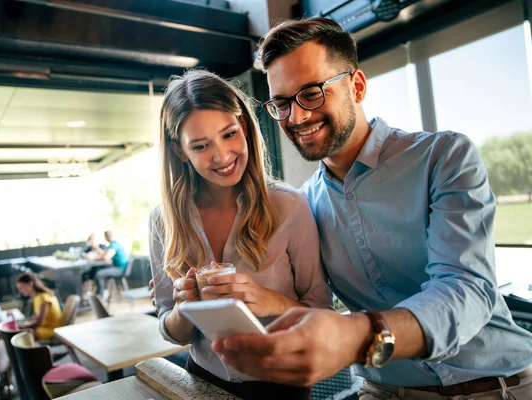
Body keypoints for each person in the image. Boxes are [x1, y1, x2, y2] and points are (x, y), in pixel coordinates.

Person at [212, 17, 532, 399]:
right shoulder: (303, 205)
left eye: (311, 93)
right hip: (382, 391)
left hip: (498, 388)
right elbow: (314, 306)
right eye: (281, 104)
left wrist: (359, 335)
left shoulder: (443, 157)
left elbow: (466, 288)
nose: (296, 117)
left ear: (357, 86)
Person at [149, 69, 330, 400]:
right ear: (180, 152)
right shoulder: (164, 221)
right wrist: (183, 307)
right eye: (201, 145)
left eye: (229, 134)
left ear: (245, 127)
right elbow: (171, 330)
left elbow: (322, 314)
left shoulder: (289, 206)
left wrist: (266, 300)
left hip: (282, 385)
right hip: (201, 379)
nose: (221, 156)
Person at [15, 272, 63, 340]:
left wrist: (23, 326)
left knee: (23, 333)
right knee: (22, 331)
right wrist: (24, 323)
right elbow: (37, 317)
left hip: (52, 330)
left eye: (21, 287)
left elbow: (39, 323)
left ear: (30, 284)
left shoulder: (43, 298)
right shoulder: (37, 298)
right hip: (44, 327)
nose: (20, 291)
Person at [93, 230, 130, 297]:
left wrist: (94, 258)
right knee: (100, 269)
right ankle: (104, 291)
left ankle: (101, 296)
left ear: (106, 237)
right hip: (119, 268)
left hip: (120, 269)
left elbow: (106, 257)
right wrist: (97, 249)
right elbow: (104, 254)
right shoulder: (114, 244)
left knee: (99, 273)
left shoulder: (114, 245)